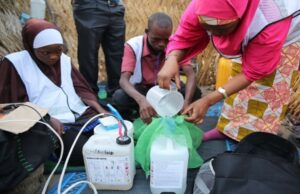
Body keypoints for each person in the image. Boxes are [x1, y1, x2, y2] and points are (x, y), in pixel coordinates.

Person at [157, 0, 300, 141]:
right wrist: (172, 59)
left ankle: (254, 140)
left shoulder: (270, 21)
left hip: (284, 38)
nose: (213, 35)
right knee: (236, 85)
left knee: (269, 92)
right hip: (250, 31)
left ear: (240, 18)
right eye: (207, 29)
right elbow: (185, 35)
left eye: (220, 30)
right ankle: (227, 130)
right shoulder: (203, 5)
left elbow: (251, 73)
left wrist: (208, 100)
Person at [0, 19, 108, 165]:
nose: (53, 57)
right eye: (46, 52)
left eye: (58, 51)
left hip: (80, 115)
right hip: (46, 125)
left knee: (112, 138)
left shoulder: (63, 60)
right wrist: (46, 118)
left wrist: (100, 110)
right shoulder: (15, 64)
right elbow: (11, 104)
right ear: (32, 47)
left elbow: (81, 88)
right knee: (85, 153)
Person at [112, 12, 201, 123]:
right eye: (156, 39)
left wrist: (186, 102)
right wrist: (141, 100)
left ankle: (175, 114)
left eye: (166, 40)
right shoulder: (133, 46)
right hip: (142, 90)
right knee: (120, 97)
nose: (162, 44)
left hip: (166, 89)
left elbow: (191, 75)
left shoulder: (175, 44)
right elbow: (123, 81)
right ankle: (133, 120)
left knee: (195, 92)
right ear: (147, 32)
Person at [72, 0, 126, 95]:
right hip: (90, 5)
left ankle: (117, 95)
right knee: (89, 54)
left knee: (118, 54)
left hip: (116, 6)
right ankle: (89, 96)